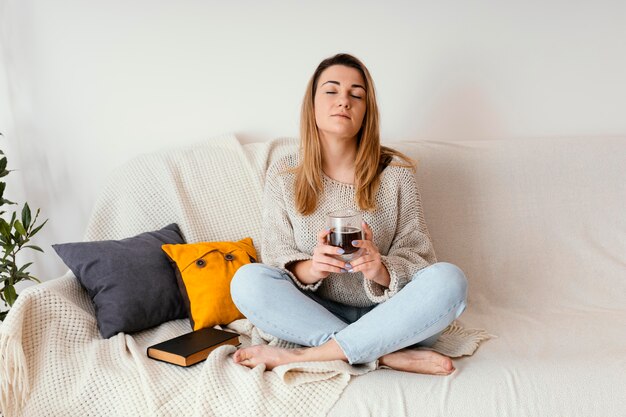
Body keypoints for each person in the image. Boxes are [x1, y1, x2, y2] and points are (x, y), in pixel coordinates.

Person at [230, 53, 468, 375]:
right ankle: (383, 355)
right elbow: (275, 258)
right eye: (331, 91)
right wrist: (313, 268)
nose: (344, 101)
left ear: (365, 111)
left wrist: (380, 269)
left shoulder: (396, 174)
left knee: (449, 280)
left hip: (390, 316)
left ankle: (306, 356)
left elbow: (420, 256)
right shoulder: (285, 174)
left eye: (356, 95)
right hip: (315, 314)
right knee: (247, 281)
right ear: (312, 106)